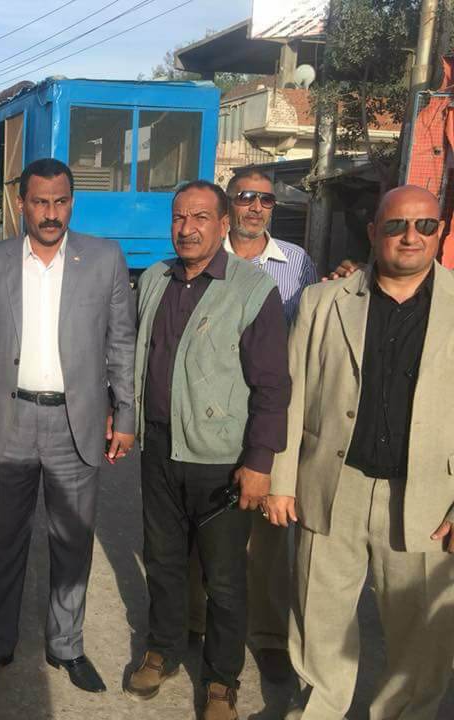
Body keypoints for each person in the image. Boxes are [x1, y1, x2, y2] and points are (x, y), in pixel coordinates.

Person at [271, 185, 454, 720]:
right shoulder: (322, 302)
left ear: (440, 231)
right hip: (333, 486)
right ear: (374, 233)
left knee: (421, 639)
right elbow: (292, 394)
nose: (410, 236)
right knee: (318, 624)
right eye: (396, 225)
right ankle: (318, 711)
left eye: (424, 225)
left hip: (426, 499)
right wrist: (281, 482)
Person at [0, 158, 137, 694]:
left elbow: (121, 341)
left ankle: (66, 645)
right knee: (1, 540)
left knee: (72, 541)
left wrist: (125, 414)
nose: (51, 213)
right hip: (9, 420)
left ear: (72, 202)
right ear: (22, 204)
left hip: (74, 421)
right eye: (40, 202)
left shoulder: (103, 258)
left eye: (61, 202)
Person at [125, 180, 290, 720]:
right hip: (159, 448)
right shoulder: (155, 278)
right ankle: (163, 650)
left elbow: (272, 385)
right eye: (179, 217)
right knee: (163, 561)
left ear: (223, 225)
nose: (187, 228)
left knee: (223, 579)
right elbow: (138, 355)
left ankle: (221, 682)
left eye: (200, 217)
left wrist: (259, 462)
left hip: (221, 459)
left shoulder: (252, 288)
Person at [186, 169, 318, 683]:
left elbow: (310, 331)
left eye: (266, 199)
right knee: (205, 526)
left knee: (267, 536)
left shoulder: (296, 263)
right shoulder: (205, 257)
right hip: (210, 414)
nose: (257, 207)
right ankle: (194, 620)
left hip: (269, 411)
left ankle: (267, 637)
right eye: (245, 197)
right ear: (229, 206)